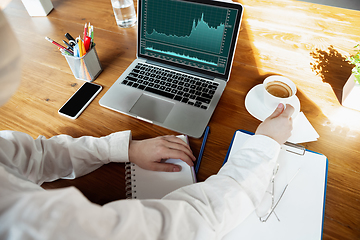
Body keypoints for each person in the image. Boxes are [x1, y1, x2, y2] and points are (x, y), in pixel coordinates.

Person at [0, 9, 294, 240]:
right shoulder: (23, 221)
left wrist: (123, 149)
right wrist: (265, 145)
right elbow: (188, 225)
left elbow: (35, 156)